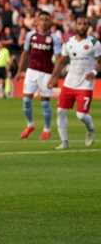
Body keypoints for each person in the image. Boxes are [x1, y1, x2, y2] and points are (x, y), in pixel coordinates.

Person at [48, 17, 101, 150]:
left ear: (88, 27)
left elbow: (100, 61)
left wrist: (94, 72)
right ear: (75, 26)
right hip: (69, 83)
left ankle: (90, 130)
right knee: (60, 111)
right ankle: (64, 142)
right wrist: (54, 77)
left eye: (85, 24)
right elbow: (62, 61)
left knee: (81, 115)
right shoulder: (69, 42)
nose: (82, 26)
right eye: (79, 23)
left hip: (85, 84)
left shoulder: (95, 43)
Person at [15, 11, 62, 140]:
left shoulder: (55, 38)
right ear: (37, 21)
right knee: (25, 101)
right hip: (31, 71)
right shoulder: (31, 35)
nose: (44, 21)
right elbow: (25, 53)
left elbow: (59, 59)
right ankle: (30, 125)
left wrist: (55, 77)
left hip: (46, 73)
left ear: (51, 22)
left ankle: (46, 129)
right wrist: (19, 71)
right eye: (42, 19)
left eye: (47, 19)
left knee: (45, 104)